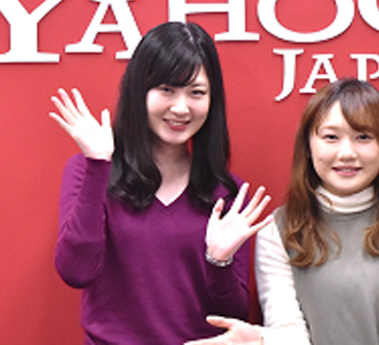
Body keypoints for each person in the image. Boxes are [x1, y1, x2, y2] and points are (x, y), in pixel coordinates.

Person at [187, 79, 379, 345]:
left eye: (363, 137)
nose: (347, 153)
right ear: (309, 147)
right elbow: (290, 332)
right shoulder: (279, 228)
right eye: (331, 137)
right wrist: (261, 340)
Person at [49, 21, 274, 344]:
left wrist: (219, 260)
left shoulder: (228, 194)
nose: (181, 108)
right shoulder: (90, 171)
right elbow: (75, 271)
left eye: (196, 93)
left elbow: (232, 316)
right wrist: (98, 165)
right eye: (167, 90)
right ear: (139, 90)